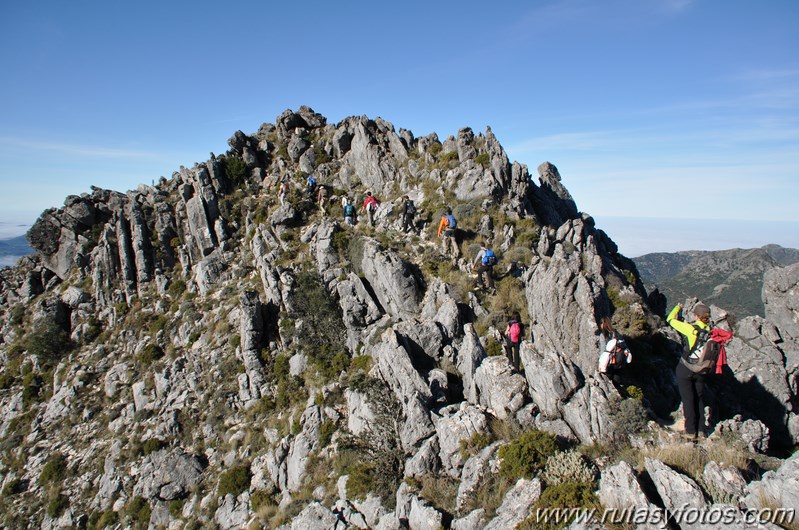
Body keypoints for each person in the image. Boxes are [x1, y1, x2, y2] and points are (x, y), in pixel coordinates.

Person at [667, 302, 730, 441]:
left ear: (696, 316)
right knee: (699, 398)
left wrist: (678, 307)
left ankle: (691, 431)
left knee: (688, 399)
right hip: (702, 370)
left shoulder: (691, 329)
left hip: (686, 368)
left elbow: (670, 319)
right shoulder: (712, 332)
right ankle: (701, 430)